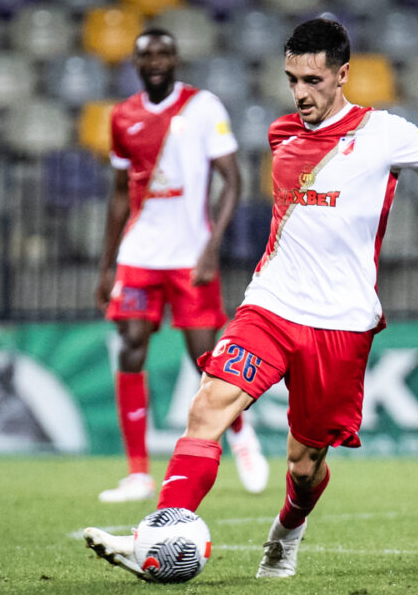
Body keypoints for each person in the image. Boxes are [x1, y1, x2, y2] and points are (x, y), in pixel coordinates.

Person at [84, 18, 418, 577]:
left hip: (341, 324)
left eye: (313, 81)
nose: (300, 93)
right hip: (270, 307)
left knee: (304, 464)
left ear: (343, 75)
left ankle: (286, 535)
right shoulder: (282, 134)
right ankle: (159, 531)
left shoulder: (385, 133)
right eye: (292, 79)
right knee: (207, 407)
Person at [94, 28, 269, 503]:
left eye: (164, 52)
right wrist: (107, 265)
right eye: (147, 53)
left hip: (190, 255)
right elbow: (116, 197)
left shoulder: (203, 107)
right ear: (134, 62)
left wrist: (213, 246)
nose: (156, 60)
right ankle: (137, 474)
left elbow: (233, 181)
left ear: (175, 59)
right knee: (131, 347)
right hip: (139, 255)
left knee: (205, 360)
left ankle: (241, 436)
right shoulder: (122, 116)